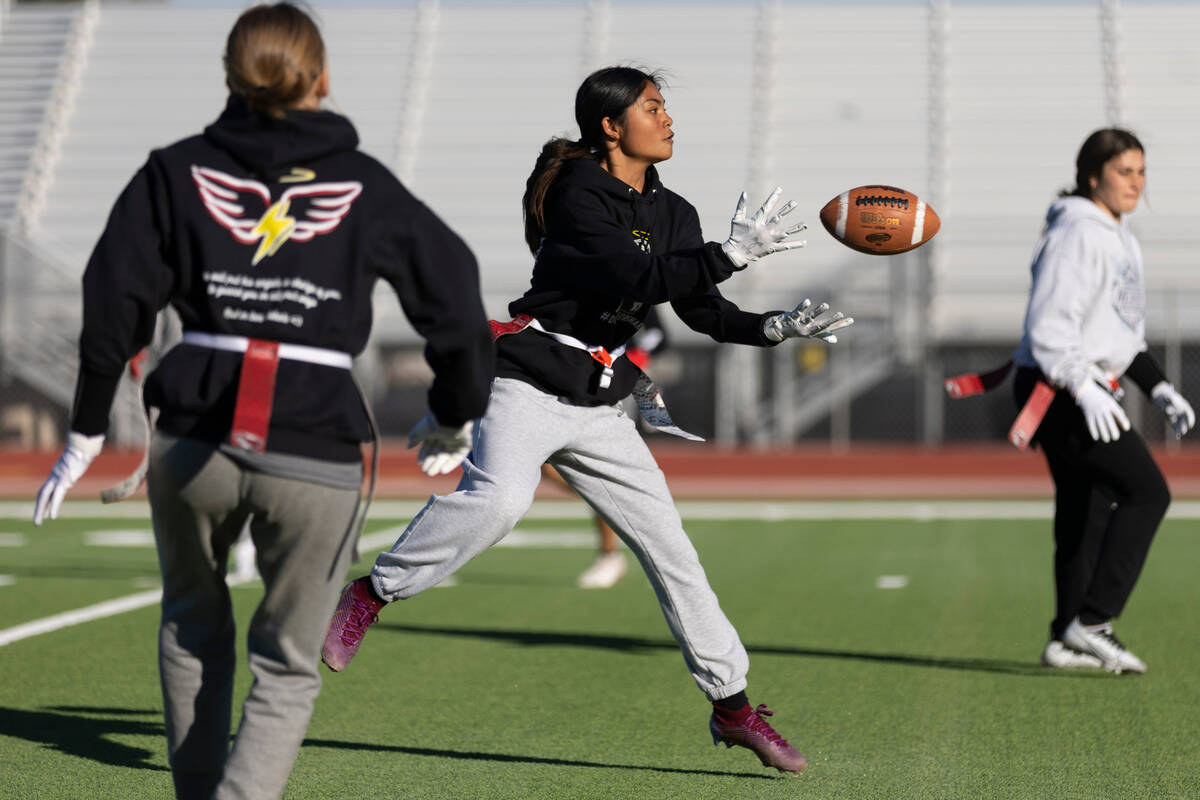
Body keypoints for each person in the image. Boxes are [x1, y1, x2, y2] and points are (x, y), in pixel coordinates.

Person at [321, 65, 852, 774]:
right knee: (500, 503)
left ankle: (733, 709)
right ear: (611, 125)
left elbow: (702, 312)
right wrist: (726, 256)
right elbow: (632, 278)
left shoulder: (675, 211)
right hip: (530, 380)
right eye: (654, 108)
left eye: (666, 108)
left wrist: (775, 328)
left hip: (601, 403)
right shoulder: (577, 192)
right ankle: (369, 592)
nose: (668, 120)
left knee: (674, 554)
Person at [31, 4, 493, 798]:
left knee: (189, 627)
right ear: (321, 79)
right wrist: (456, 412)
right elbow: (454, 298)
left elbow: (112, 297)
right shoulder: (364, 183)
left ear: (229, 76)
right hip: (315, 441)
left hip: (193, 436)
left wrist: (83, 427)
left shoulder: (175, 170)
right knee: (285, 663)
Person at [1012, 127, 1193, 674]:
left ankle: (1065, 637)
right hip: (1061, 388)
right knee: (1146, 493)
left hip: (1084, 384)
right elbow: (1048, 329)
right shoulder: (1078, 232)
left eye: (1141, 171)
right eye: (1124, 171)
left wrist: (1157, 385)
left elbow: (1118, 335)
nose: (1136, 182)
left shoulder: (1117, 234)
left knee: (1085, 512)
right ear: (1093, 175)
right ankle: (1093, 622)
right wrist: (1083, 386)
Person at [541, 306, 671, 589]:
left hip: (612, 381)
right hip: (573, 375)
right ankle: (601, 498)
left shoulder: (634, 285)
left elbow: (660, 336)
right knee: (546, 464)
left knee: (593, 464)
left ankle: (610, 554)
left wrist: (635, 355)